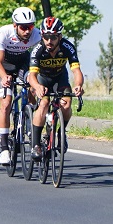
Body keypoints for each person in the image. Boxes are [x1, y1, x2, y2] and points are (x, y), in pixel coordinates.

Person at [29, 17, 84, 160]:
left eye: (53, 37)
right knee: (44, 104)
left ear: (60, 36)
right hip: (42, 79)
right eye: (46, 37)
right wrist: (37, 87)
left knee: (66, 103)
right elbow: (32, 76)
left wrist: (78, 85)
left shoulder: (68, 47)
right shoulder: (38, 50)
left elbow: (76, 71)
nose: (49, 41)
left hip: (60, 78)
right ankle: (36, 144)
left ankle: (61, 132)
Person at [0, 7, 41, 165]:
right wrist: (3, 77)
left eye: (30, 26)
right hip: (4, 66)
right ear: (15, 25)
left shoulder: (37, 35)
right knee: (6, 103)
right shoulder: (4, 33)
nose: (28, 31)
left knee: (33, 85)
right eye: (24, 27)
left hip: (22, 64)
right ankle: (4, 148)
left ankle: (30, 116)